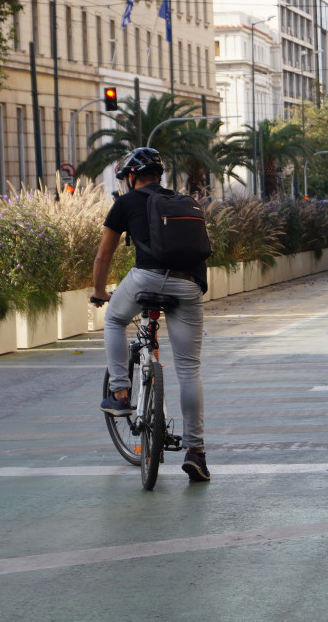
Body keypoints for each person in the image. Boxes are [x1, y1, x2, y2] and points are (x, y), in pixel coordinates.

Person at [91, 147, 210, 482]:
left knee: (115, 319)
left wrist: (99, 293)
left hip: (147, 277)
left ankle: (119, 393)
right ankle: (196, 452)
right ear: (159, 176)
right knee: (189, 369)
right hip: (190, 283)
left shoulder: (125, 203)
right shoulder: (184, 202)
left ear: (131, 176)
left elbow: (103, 256)